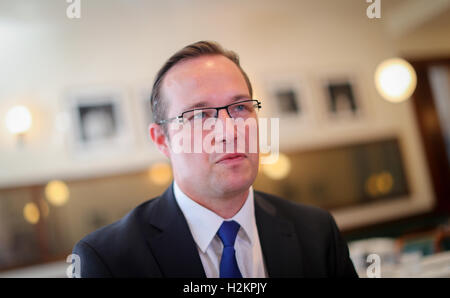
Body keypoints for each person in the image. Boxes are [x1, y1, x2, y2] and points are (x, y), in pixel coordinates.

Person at [72, 41, 358, 278]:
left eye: (241, 107)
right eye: (199, 115)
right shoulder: (107, 260)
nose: (229, 131)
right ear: (162, 140)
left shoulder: (317, 232)